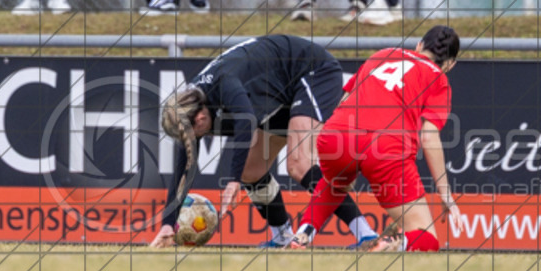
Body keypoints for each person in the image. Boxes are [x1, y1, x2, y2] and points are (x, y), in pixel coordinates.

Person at [155, 35, 378, 248]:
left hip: (312, 71)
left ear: (200, 119)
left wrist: (233, 181)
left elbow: (247, 122)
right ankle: (281, 235)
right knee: (251, 171)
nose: (194, 140)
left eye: (193, 134)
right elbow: (183, 170)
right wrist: (167, 224)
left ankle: (367, 234)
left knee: (298, 165)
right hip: (278, 93)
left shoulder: (224, 83)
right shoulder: (189, 106)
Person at [292, 25, 464, 251]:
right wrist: (445, 193)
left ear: (419, 45)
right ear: (450, 64)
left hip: (338, 134)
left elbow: (344, 99)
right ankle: (392, 244)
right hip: (386, 146)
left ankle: (302, 234)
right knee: (427, 236)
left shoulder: (384, 54)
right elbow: (429, 137)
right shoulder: (438, 79)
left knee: (335, 182)